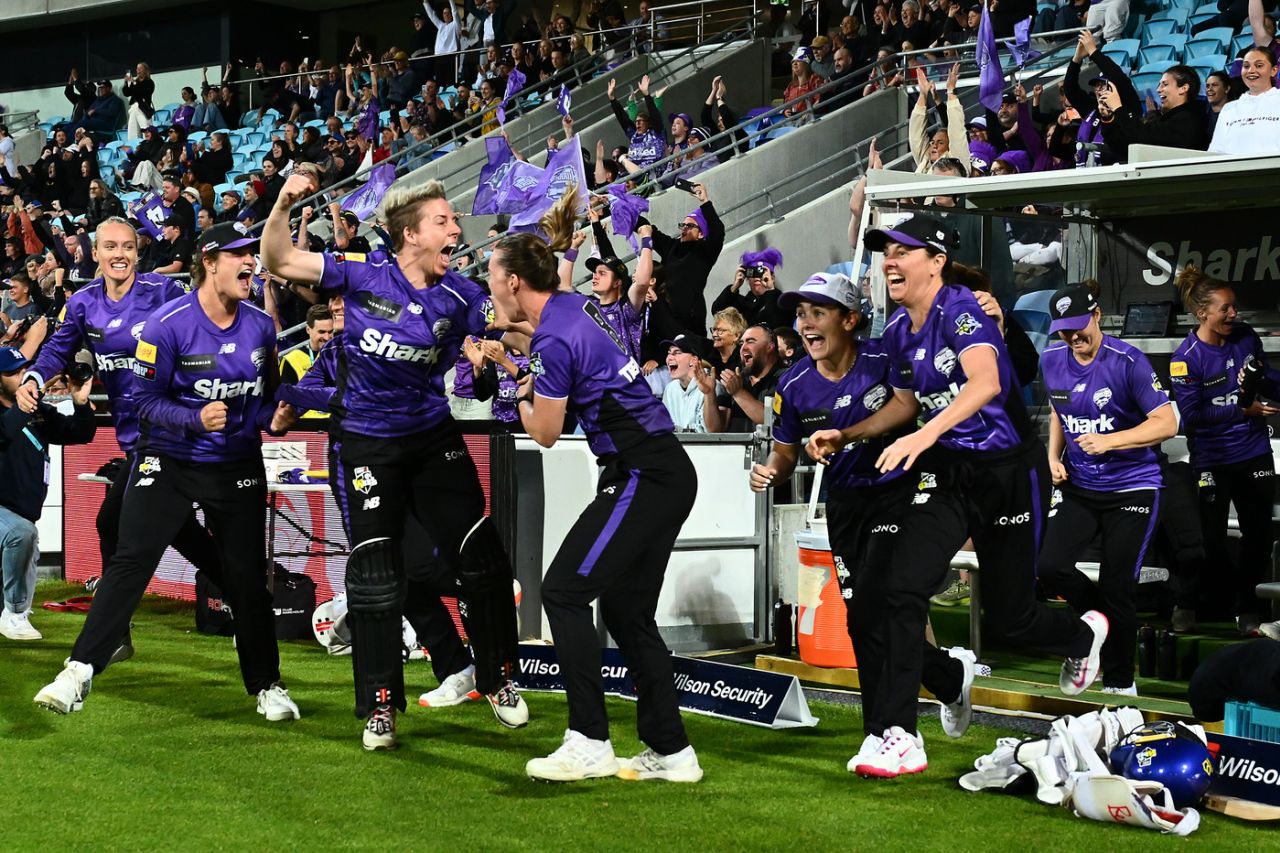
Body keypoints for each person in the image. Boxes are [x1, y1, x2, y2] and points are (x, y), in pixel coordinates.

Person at [807, 214, 1109, 778]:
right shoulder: (898, 329)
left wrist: (924, 433)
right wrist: (847, 433)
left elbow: (987, 383)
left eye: (903, 251)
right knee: (895, 588)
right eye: (884, 252)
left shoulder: (962, 309)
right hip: (945, 473)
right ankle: (898, 734)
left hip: (1005, 474)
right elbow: (900, 404)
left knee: (1011, 619)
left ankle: (1083, 633)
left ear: (936, 261)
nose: (890, 261)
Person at [261, 172, 527, 750]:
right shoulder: (358, 272)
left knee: (482, 555)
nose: (457, 229)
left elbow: (518, 323)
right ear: (410, 235)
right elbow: (279, 257)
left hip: (433, 438)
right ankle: (381, 706)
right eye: (444, 221)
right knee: (378, 576)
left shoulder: (459, 294)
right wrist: (284, 199)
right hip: (367, 444)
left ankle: (499, 677)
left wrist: (560, 341)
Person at [33, 222, 300, 721]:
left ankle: (268, 685)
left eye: (252, 255)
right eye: (239, 254)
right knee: (131, 558)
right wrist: (194, 417)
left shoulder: (262, 327)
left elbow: (263, 405)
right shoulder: (166, 324)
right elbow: (145, 402)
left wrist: (278, 419)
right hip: (168, 457)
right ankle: (78, 671)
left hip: (235, 464)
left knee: (243, 578)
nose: (250, 264)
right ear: (209, 261)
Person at [487, 230, 703, 784]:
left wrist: (516, 384)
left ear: (513, 281)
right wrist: (515, 340)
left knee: (562, 590)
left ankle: (589, 739)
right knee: (627, 614)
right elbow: (547, 327)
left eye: (491, 275)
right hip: (662, 469)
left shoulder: (552, 341)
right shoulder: (572, 305)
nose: (489, 285)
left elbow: (547, 432)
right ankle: (672, 752)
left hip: (640, 473)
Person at [751, 271, 977, 770]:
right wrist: (771, 469)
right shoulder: (792, 385)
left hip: (900, 491)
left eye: (818, 312)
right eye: (800, 314)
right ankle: (946, 680)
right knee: (861, 618)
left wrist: (847, 435)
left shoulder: (883, 358)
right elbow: (786, 453)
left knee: (881, 605)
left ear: (850, 319)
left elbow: (908, 406)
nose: (805, 324)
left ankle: (892, 732)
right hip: (847, 504)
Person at [19, 216, 226, 659]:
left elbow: (202, 327)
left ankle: (116, 635)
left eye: (127, 247)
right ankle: (245, 596)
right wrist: (36, 374)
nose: (119, 255)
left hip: (173, 433)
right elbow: (59, 347)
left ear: (137, 252)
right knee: (179, 531)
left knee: (117, 524)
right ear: (96, 253)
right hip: (134, 438)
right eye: (110, 246)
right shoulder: (84, 304)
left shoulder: (165, 294)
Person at [1034, 283, 1178, 696]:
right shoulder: (1052, 360)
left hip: (1133, 488)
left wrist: (1111, 441)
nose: (1074, 338)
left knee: (1119, 587)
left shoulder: (1127, 361)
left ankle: (1119, 683)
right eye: (1065, 331)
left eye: (1080, 328)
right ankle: (1098, 623)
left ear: (1097, 315)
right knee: (1050, 567)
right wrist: (1053, 458)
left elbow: (1166, 423)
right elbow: (1061, 411)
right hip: (1081, 486)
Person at [1169, 266, 1280, 636]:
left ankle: (1248, 608)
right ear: (1203, 313)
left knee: (1260, 535)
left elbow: (1263, 377)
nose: (1234, 315)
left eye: (1234, 308)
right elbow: (1192, 417)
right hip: (1212, 459)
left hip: (1254, 453)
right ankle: (1186, 603)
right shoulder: (1186, 357)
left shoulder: (1246, 337)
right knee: (1208, 541)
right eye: (1225, 309)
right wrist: (1240, 410)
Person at [0, 347, 96, 641]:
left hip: (23, 510)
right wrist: (27, 401)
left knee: (26, 538)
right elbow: (5, 432)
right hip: (6, 512)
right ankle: (15, 614)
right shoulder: (23, 410)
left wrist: (80, 403)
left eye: (24, 370)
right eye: (14, 372)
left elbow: (79, 433)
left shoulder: (38, 411)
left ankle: (15, 613)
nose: (23, 377)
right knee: (22, 533)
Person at [638, 182, 723, 337]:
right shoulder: (672, 246)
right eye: (682, 225)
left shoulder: (705, 251)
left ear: (702, 234)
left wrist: (705, 202)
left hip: (690, 320)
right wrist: (623, 206)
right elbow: (649, 229)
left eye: (689, 226)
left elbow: (717, 231)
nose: (684, 229)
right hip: (664, 313)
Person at [710, 323, 784, 433]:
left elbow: (773, 420)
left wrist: (738, 393)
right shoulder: (735, 380)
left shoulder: (787, 378)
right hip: (735, 450)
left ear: (770, 346)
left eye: (750, 341)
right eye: (741, 343)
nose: (743, 348)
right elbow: (715, 430)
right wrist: (708, 393)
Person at [1210, 46, 1280, 154]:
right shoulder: (1229, 109)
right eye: (1246, 66)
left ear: (1273, 70)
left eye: (1259, 65)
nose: (1251, 70)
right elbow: (1216, 151)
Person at [711, 249, 789, 330]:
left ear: (772, 278)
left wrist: (771, 290)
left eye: (761, 273)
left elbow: (774, 321)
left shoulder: (782, 302)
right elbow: (717, 311)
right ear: (747, 278)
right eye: (753, 273)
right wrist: (735, 287)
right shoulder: (743, 303)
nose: (757, 278)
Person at [607, 74, 666, 171]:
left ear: (649, 123)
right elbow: (623, 119)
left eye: (640, 121)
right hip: (640, 178)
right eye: (636, 121)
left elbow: (655, 116)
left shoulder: (656, 133)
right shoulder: (634, 136)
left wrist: (647, 95)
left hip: (659, 175)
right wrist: (612, 98)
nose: (637, 123)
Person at [660, 333, 717, 432]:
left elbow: (711, 433)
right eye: (669, 353)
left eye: (677, 352)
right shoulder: (670, 389)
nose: (669, 358)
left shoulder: (713, 386)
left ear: (693, 360)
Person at [279, 303, 334, 385]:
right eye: (322, 332)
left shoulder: (343, 354)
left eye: (330, 332)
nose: (327, 337)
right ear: (308, 329)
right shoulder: (292, 360)